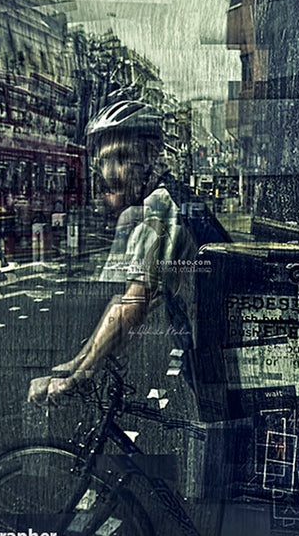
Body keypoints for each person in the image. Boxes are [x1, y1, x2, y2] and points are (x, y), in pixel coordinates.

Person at [28, 100, 228, 406]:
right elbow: (122, 302)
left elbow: (131, 311)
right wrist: (77, 363)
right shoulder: (167, 197)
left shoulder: (159, 209)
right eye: (105, 161)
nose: (111, 173)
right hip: (214, 352)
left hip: (219, 361)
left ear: (150, 157)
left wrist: (77, 379)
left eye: (122, 158)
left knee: (218, 447)